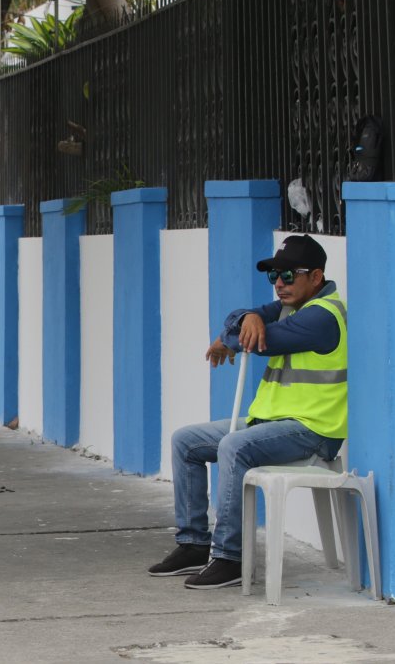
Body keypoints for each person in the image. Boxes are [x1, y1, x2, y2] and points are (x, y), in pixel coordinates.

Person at [148, 234, 347, 589]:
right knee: (185, 441)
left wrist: (235, 334)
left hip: (313, 431)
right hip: (273, 425)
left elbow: (259, 341)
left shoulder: (323, 316)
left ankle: (230, 557)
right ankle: (194, 543)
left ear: (316, 277)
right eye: (274, 276)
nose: (280, 284)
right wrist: (250, 316)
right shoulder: (289, 306)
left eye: (289, 275)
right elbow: (239, 318)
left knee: (233, 446)